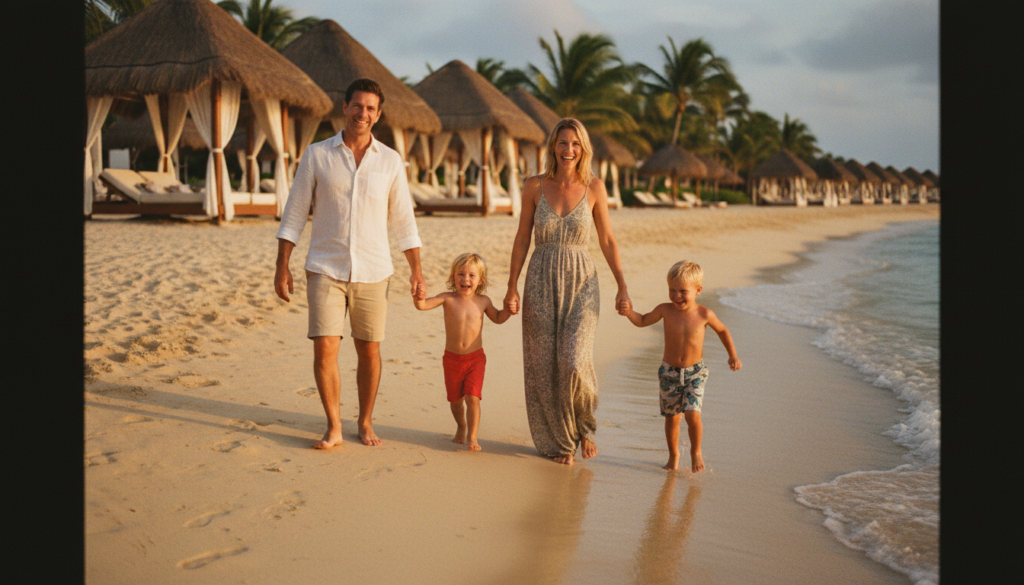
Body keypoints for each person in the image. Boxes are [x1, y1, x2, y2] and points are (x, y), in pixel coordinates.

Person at [274, 78, 426, 450]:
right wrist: (282, 265)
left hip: (375, 270)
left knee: (368, 350)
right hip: (325, 266)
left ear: (379, 114)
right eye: (357, 106)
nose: (363, 113)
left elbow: (404, 219)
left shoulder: (389, 160)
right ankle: (334, 425)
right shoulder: (316, 155)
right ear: (344, 107)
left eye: (371, 108)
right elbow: (294, 213)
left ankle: (366, 420)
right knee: (325, 348)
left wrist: (416, 270)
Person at [504, 118, 632, 466]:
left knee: (574, 361)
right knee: (544, 366)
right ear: (553, 147)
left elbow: (606, 239)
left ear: (584, 148)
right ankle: (561, 442)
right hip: (540, 279)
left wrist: (622, 284)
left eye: (575, 144)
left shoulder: (594, 188)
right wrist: (512, 285)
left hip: (582, 282)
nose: (569, 150)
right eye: (563, 143)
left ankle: (585, 427)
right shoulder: (534, 185)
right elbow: (522, 239)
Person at [624, 260, 741, 472]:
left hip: (695, 373)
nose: (677, 296)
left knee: (692, 414)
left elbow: (723, 331)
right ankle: (673, 456)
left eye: (683, 291)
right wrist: (628, 312)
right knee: (672, 418)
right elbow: (641, 320)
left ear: (698, 290)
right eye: (672, 290)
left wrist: (732, 355)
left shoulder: (705, 314)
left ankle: (696, 451)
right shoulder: (664, 310)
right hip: (668, 373)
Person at [413, 253, 512, 450]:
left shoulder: (483, 301)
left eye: (472, 275)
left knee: (472, 398)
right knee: (455, 400)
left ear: (480, 280)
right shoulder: (447, 298)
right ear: (453, 277)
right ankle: (461, 426)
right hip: (451, 359)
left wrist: (509, 310)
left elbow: (499, 318)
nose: (465, 279)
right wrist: (418, 297)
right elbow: (422, 306)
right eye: (460, 274)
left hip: (475, 359)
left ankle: (473, 437)